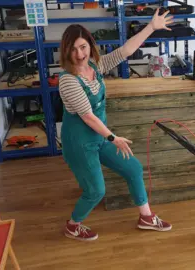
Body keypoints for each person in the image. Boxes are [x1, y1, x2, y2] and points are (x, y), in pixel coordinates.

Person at [58, 9, 174, 241]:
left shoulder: (95, 67)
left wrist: (151, 27)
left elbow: (126, 51)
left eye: (83, 47)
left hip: (99, 138)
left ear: (90, 45)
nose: (79, 54)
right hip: (80, 143)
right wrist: (114, 138)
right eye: (73, 49)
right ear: (66, 51)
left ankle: (146, 217)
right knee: (96, 191)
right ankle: (73, 225)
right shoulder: (68, 81)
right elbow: (88, 116)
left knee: (133, 168)